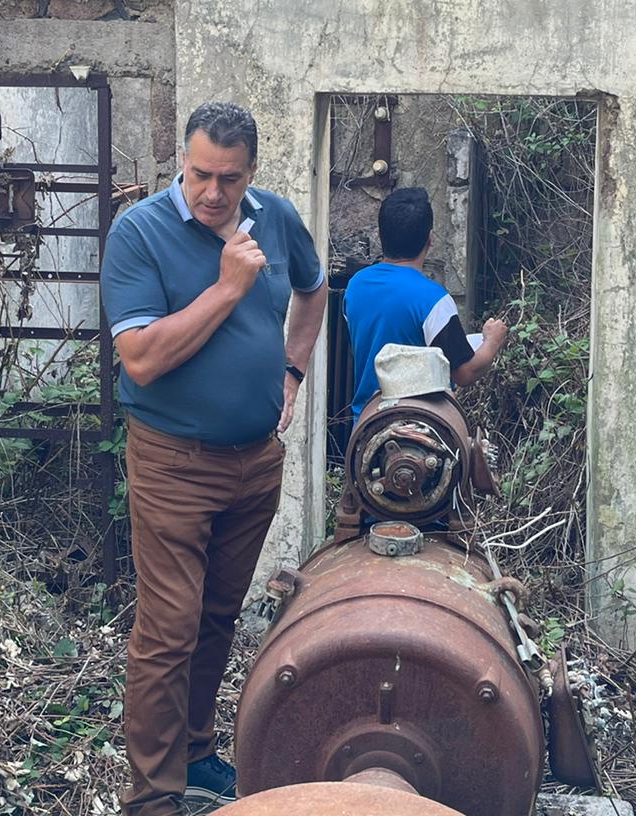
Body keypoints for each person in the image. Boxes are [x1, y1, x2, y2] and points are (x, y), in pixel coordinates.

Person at [101, 101, 328, 815]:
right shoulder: (140, 234)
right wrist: (228, 285)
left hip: (254, 462)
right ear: (184, 161)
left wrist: (292, 371)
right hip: (173, 462)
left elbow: (315, 288)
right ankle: (153, 797)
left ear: (250, 173)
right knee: (169, 629)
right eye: (200, 174)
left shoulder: (278, 218)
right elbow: (139, 359)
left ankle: (197, 754)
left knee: (218, 616)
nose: (212, 192)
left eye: (229, 179)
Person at [343, 186, 508, 421]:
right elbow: (464, 373)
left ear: (380, 235)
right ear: (429, 240)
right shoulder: (433, 300)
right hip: (418, 429)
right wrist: (493, 340)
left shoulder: (355, 286)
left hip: (366, 426)